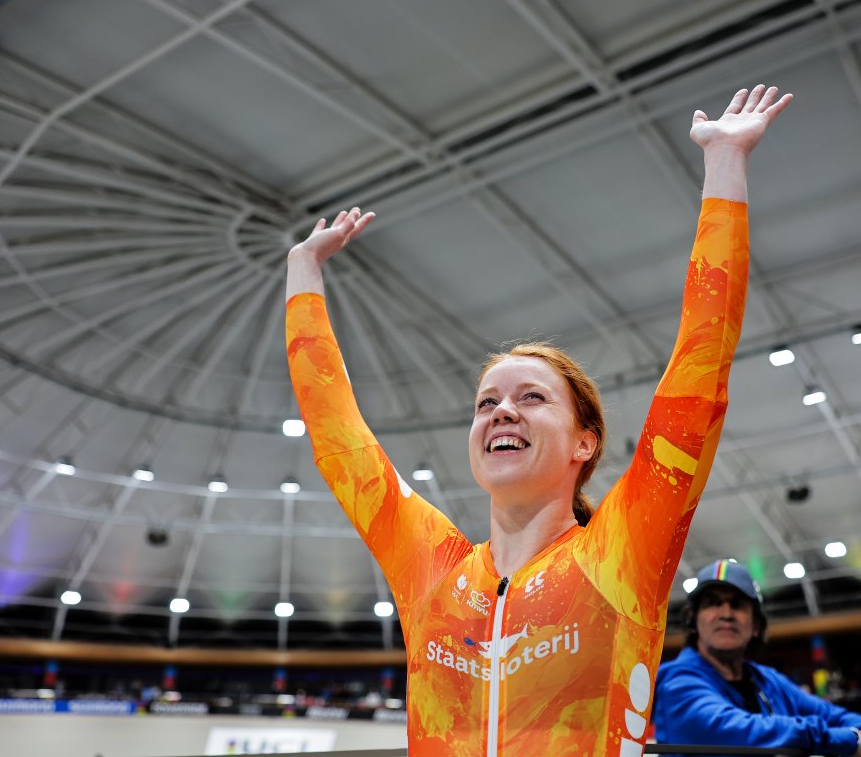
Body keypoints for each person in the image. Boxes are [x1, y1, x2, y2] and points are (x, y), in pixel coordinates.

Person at [284, 85, 791, 756]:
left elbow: (699, 378)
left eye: (531, 398)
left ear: (585, 442)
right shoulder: (432, 571)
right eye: (486, 402)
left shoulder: (621, 554)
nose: (501, 409)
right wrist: (302, 271)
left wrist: (725, 162)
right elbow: (337, 435)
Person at [653, 559, 861, 757]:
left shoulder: (768, 680)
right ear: (692, 620)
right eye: (712, 603)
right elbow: (735, 731)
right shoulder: (676, 680)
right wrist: (850, 741)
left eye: (737, 604)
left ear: (756, 626)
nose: (726, 613)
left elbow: (836, 715)